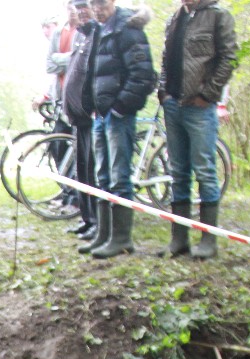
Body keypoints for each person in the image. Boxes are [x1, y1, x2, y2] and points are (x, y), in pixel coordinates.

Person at [157, 0, 238, 259]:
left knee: (205, 171)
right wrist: (163, 91)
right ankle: (179, 240)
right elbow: (166, 60)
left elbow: (229, 58)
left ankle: (208, 241)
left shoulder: (218, 16)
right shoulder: (174, 18)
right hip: (173, 105)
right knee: (178, 172)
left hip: (199, 107)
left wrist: (208, 95)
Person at [82, 0, 156, 258]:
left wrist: (120, 107)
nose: (96, 8)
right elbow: (93, 73)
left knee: (119, 177)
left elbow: (143, 74)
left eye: (101, 3)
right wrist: (92, 106)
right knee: (102, 176)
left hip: (119, 115)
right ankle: (104, 234)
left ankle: (122, 239)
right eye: (93, 3)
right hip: (100, 114)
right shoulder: (97, 29)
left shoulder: (128, 28)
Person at [62, 0, 99, 240]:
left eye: (84, 5)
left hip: (92, 114)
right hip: (78, 116)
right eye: (77, 6)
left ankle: (98, 221)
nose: (81, 11)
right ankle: (87, 219)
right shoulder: (81, 35)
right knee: (83, 170)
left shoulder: (99, 34)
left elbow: (98, 74)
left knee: (94, 171)